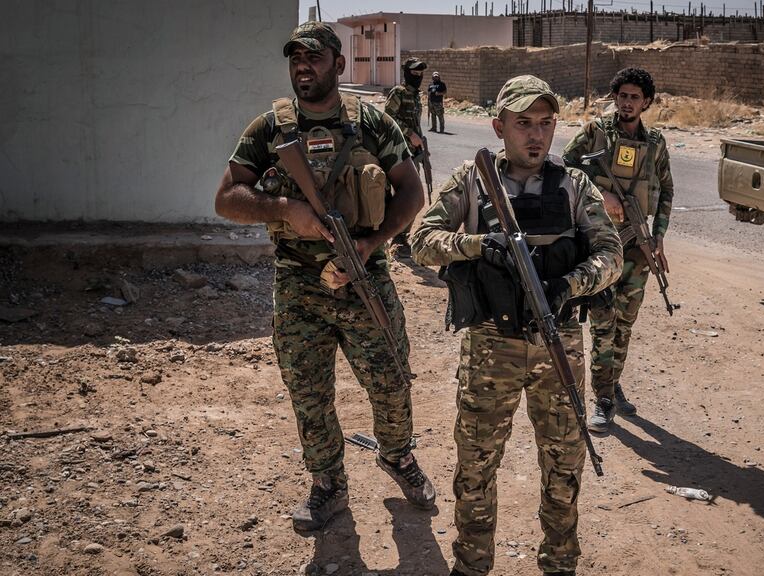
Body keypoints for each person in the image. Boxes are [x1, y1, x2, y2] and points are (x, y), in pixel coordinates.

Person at [214, 21, 436, 536]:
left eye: (313, 58)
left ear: (338, 64)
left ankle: (398, 458)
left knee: (392, 381)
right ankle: (328, 486)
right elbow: (226, 198)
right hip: (297, 286)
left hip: (366, 278)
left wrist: (371, 242)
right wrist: (286, 208)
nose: (302, 67)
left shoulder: (374, 123)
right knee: (309, 392)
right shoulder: (270, 129)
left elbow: (410, 193)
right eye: (295, 58)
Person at [409, 75, 622, 576]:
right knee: (477, 467)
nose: (536, 135)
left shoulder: (573, 184)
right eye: (523, 123)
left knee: (564, 467)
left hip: (559, 343)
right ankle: (473, 564)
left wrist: (569, 284)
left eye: (546, 124)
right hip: (491, 348)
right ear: (498, 126)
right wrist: (479, 245)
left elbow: (612, 254)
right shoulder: (472, 179)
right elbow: (422, 239)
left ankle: (560, 563)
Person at [562, 67, 674, 433]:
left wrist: (658, 237)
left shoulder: (655, 143)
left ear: (646, 103)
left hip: (638, 248)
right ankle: (604, 397)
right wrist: (601, 195)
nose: (627, 103)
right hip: (600, 243)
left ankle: (610, 380)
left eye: (635, 98)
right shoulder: (595, 132)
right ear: (616, 97)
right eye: (622, 95)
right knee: (602, 320)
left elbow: (667, 191)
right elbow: (564, 166)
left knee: (624, 323)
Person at [386, 57, 429, 248]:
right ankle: (393, 235)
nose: (418, 76)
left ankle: (401, 237)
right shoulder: (399, 92)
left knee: (413, 194)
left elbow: (415, 123)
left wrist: (421, 142)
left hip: (414, 151)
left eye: (421, 73)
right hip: (397, 151)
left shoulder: (417, 95)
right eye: (414, 72)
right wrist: (410, 133)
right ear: (406, 72)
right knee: (401, 194)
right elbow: (388, 117)